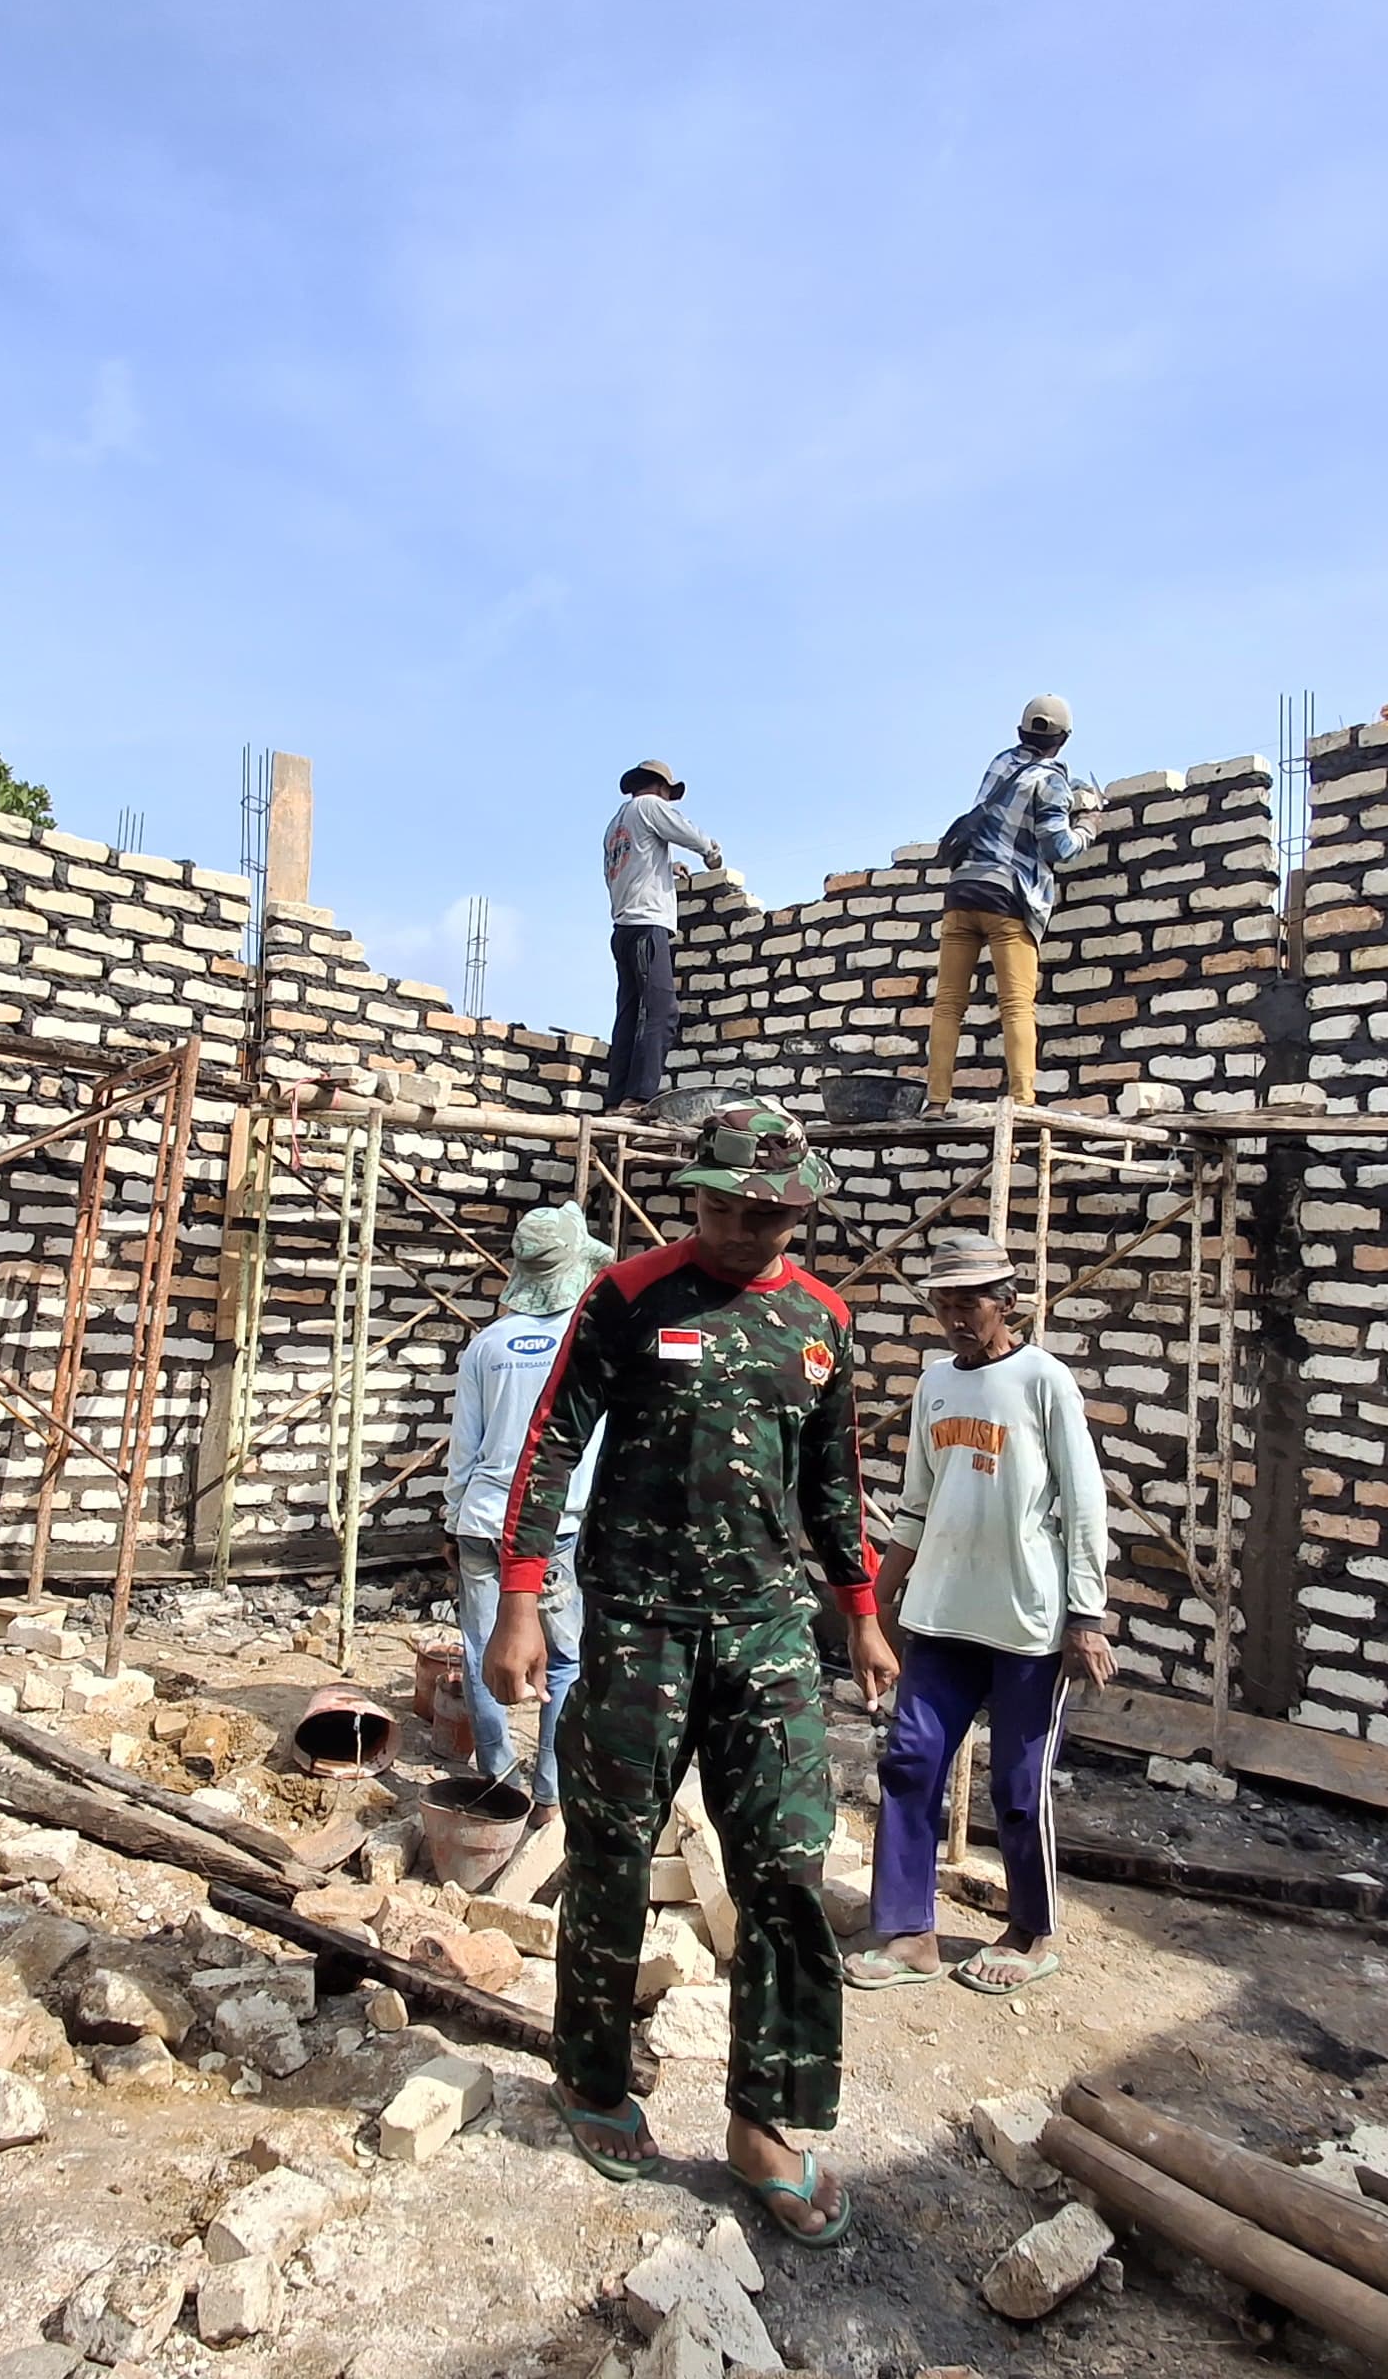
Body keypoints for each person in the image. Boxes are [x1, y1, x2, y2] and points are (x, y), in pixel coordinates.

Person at [490, 1100, 899, 2248]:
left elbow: (834, 1485)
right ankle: (591, 2076)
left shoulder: (822, 1323)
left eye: (766, 1216)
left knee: (786, 1866)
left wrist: (862, 1615)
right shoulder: (627, 1298)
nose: (740, 1230)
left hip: (769, 1634)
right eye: (723, 1207)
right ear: (696, 1197)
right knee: (612, 1855)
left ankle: (765, 2123)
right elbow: (552, 1441)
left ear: (799, 1214)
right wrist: (521, 1601)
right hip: (639, 1627)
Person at [848, 1229, 1113, 1996]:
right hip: (940, 1616)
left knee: (1019, 1789)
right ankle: (910, 1934)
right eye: (945, 1303)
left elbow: (1084, 1502)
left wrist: (1087, 1615)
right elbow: (916, 1504)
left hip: (1026, 1622)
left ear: (1008, 1303)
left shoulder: (1043, 1381)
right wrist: (878, 1604)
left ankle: (1030, 1931)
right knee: (910, 1765)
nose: (957, 1318)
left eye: (972, 1303)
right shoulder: (935, 1384)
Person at [442, 1204, 612, 1823]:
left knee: (482, 1648)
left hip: (482, 1518)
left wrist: (452, 1520)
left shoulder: (486, 1345)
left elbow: (464, 1449)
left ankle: (496, 1774)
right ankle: (549, 1791)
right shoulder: (588, 1341)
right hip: (555, 1527)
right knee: (563, 1660)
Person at [921, 694, 1103, 1112]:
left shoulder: (1000, 763)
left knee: (948, 1004)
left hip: (962, 893)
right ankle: (1022, 1101)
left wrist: (1073, 788)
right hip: (1009, 899)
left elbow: (1023, 788)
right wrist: (1088, 827)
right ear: (1064, 739)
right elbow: (1057, 847)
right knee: (1017, 1005)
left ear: (1020, 732)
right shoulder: (1051, 782)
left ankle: (936, 1101)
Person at [601, 758, 724, 1114]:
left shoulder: (616, 825)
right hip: (646, 926)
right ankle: (638, 1097)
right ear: (660, 787)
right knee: (661, 1011)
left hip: (623, 929)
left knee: (629, 1013)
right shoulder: (649, 805)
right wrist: (711, 852)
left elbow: (633, 868)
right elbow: (686, 831)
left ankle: (615, 1098)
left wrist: (667, 868)